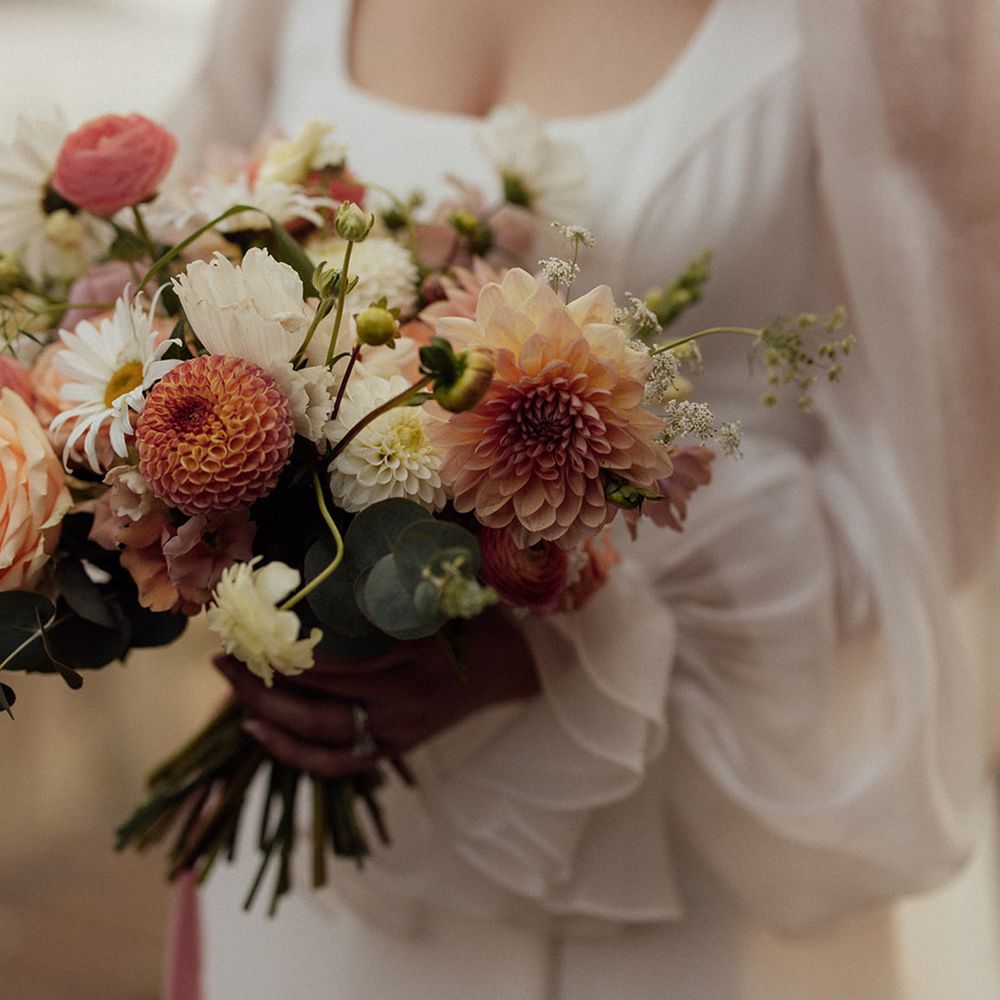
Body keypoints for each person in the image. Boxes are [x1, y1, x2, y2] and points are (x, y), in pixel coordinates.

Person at [167, 1, 1000, 997]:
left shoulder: (902, 22)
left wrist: (559, 633)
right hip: (328, 846)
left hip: (689, 828)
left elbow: (935, 501)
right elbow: (180, 266)